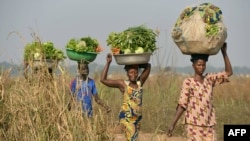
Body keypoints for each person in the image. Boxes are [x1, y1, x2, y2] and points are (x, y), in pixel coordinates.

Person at [167, 42, 233, 141]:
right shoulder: (188, 82)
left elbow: (229, 72)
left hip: (209, 124)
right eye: (199, 65)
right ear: (193, 65)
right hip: (193, 125)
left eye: (203, 65)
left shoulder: (209, 79)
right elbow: (182, 105)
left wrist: (224, 53)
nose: (201, 67)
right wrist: (172, 124)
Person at [100, 53, 151, 141]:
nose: (134, 74)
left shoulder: (140, 83)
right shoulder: (123, 84)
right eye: (131, 72)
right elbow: (103, 80)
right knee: (131, 138)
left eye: (136, 72)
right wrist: (108, 63)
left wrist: (137, 63)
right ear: (127, 73)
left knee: (132, 138)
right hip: (127, 118)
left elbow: (148, 66)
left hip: (136, 118)